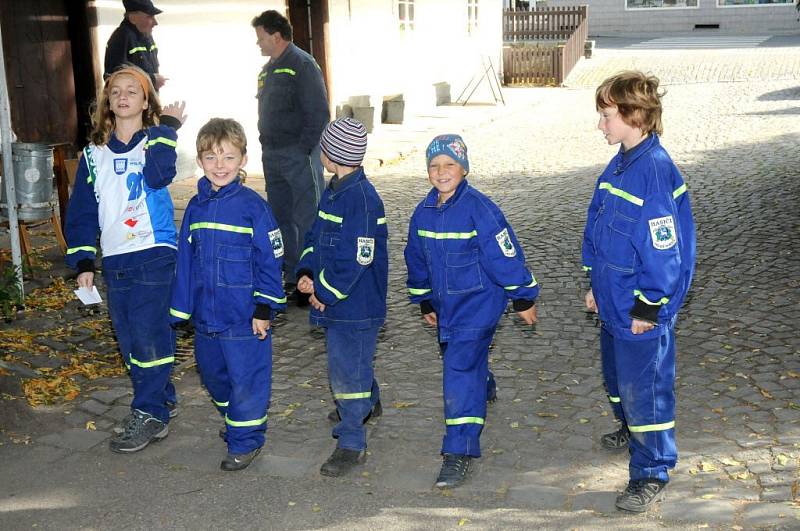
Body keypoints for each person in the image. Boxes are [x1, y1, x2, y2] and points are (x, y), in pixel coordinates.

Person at [582, 71, 696, 513]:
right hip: (612, 301)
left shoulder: (653, 170)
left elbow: (665, 255)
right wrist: (594, 283)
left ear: (634, 115)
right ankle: (630, 428)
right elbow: (597, 227)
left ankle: (651, 470)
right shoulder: (621, 163)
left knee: (645, 391)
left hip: (638, 309)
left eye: (606, 115)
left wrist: (647, 308)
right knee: (618, 381)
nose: (600, 125)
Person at [404, 135, 539, 489]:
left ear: (464, 168)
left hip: (480, 304)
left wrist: (523, 296)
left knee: (459, 367)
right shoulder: (423, 212)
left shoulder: (481, 209)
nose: (441, 172)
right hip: (447, 307)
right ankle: (484, 383)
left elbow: (504, 254)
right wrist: (424, 299)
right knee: (461, 357)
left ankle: (459, 449)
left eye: (449, 164)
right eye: (434, 166)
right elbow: (416, 258)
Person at [65, 65, 186, 453]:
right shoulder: (93, 154)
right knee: (132, 341)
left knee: (149, 335)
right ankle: (161, 398)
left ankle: (150, 412)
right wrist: (84, 262)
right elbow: (82, 212)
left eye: (133, 91)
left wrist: (166, 127)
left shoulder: (156, 141)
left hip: (154, 252)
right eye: (115, 91)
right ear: (107, 102)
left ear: (146, 101)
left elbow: (157, 177)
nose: (123, 97)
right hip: (116, 259)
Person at [169, 118, 286, 472]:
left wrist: (264, 308)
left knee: (246, 381)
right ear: (200, 161)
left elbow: (271, 259)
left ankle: (245, 441)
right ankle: (237, 418)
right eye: (211, 158)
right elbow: (184, 261)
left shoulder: (254, 208)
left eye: (228, 157)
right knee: (214, 376)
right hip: (206, 319)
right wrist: (180, 309)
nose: (220, 166)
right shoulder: (195, 208)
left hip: (244, 318)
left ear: (243, 160)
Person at [295, 118, 387, 477]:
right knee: (355, 362)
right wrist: (306, 273)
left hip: (356, 305)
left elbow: (357, 260)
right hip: (335, 301)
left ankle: (351, 440)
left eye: (324, 147)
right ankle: (368, 401)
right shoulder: (333, 190)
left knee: (346, 371)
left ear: (331, 154)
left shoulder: (363, 201)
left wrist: (325, 292)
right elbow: (315, 236)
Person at [252, 10, 329, 304]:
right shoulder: (267, 70)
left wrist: (304, 148)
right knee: (280, 217)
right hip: (272, 154)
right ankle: (290, 275)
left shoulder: (302, 64)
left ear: (276, 36)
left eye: (261, 38)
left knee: (308, 216)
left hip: (299, 155)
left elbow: (318, 111)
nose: (258, 44)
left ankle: (312, 277)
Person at [104, 0, 166, 91]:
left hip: (148, 102)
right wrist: (152, 80)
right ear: (133, 18)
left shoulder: (146, 35)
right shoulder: (121, 38)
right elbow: (115, 77)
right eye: (149, 16)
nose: (155, 23)